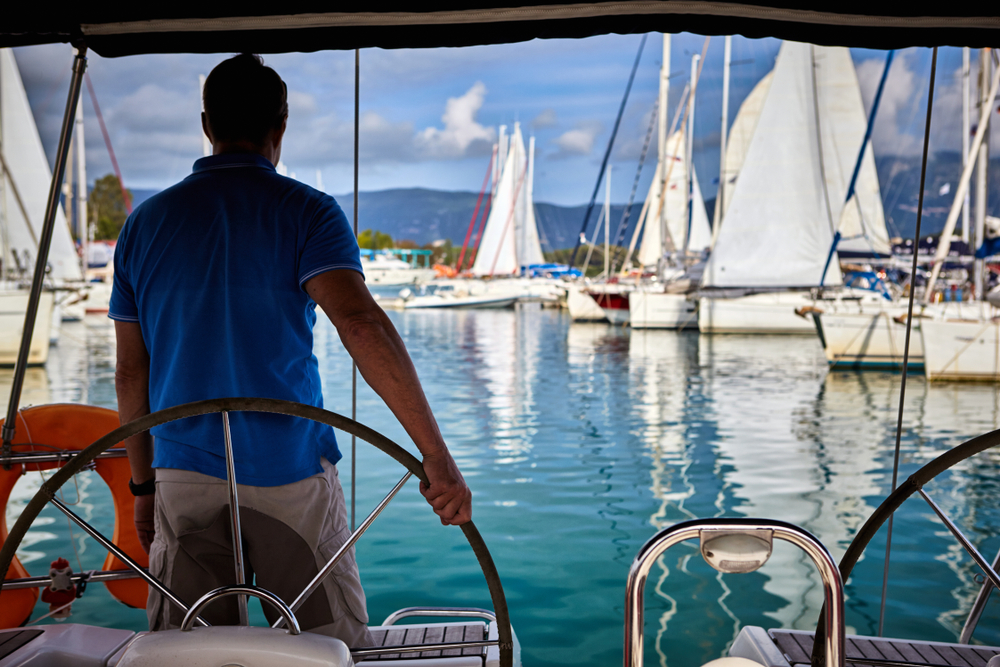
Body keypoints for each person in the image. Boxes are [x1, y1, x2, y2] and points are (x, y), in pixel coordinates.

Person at [110, 53, 471, 647]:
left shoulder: (145, 225)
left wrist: (144, 489)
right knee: (329, 646)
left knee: (190, 654)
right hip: (291, 477)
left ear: (207, 124)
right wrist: (436, 457)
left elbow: (130, 373)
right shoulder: (308, 211)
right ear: (281, 126)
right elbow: (360, 324)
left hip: (183, 473)